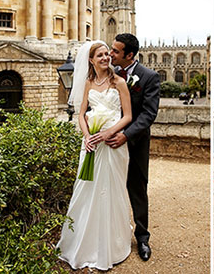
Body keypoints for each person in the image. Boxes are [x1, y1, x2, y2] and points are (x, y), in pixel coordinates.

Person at [57, 41, 133, 271]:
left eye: (106, 54)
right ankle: (84, 242)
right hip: (90, 144)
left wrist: (108, 132)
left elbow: (128, 116)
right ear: (90, 60)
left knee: (111, 190)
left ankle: (111, 245)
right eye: (99, 55)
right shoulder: (88, 83)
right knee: (85, 189)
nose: (105, 58)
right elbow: (81, 115)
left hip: (111, 143)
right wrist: (87, 135)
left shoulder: (119, 82)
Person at [107, 33, 160, 262]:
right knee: (108, 187)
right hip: (108, 142)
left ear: (129, 55)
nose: (110, 54)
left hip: (135, 142)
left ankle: (142, 238)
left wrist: (125, 136)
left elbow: (149, 114)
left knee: (137, 189)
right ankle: (112, 234)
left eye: (116, 51)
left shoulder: (149, 77)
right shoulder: (107, 73)